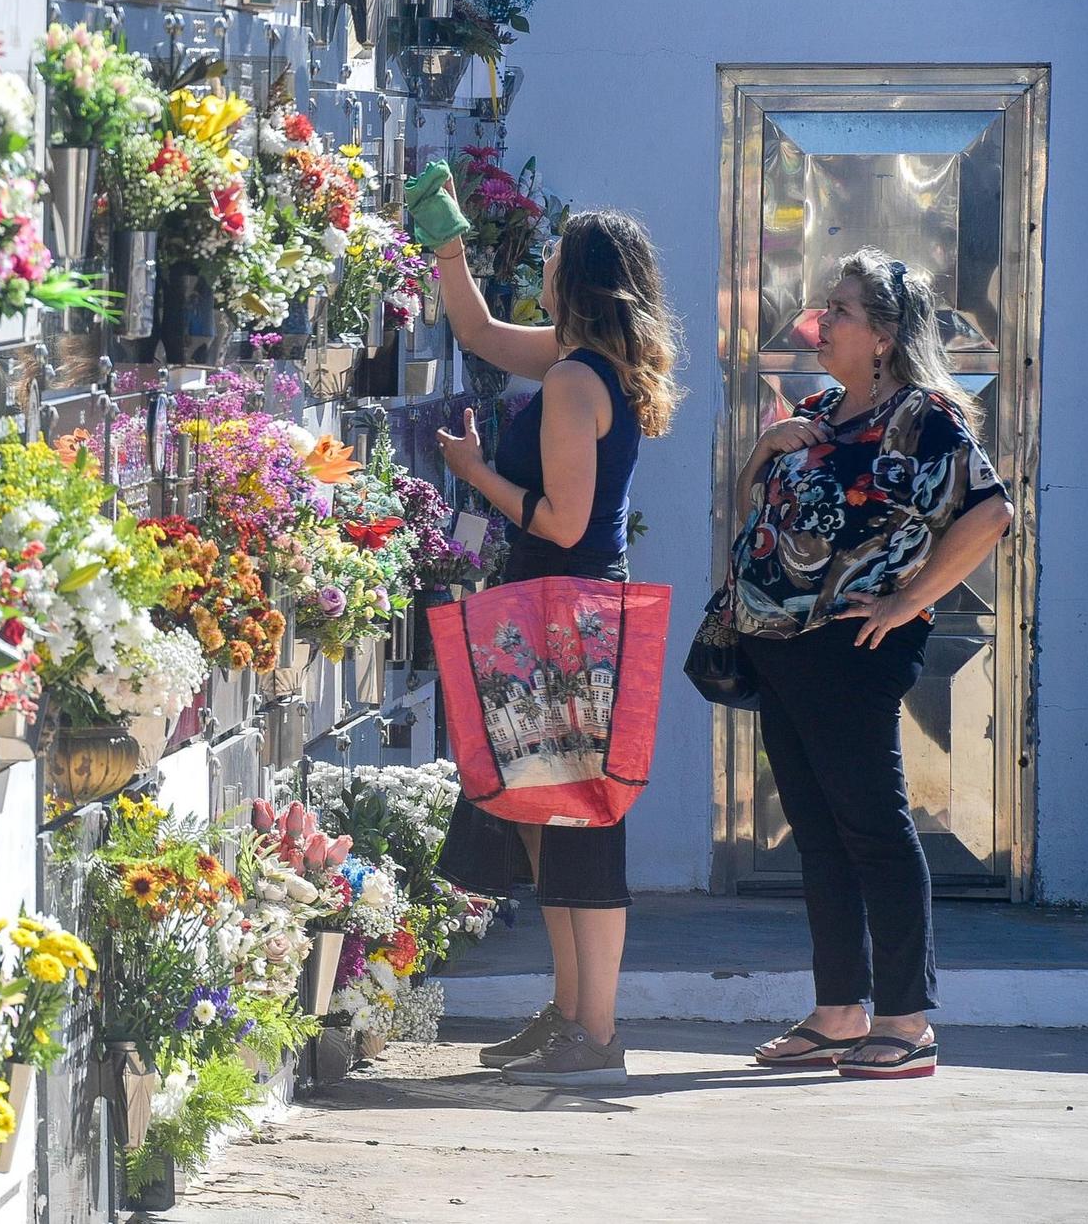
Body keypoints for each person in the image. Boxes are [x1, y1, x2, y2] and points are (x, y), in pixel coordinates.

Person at [407, 161, 684, 1087]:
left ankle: (594, 1029)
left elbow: (563, 523)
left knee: (581, 823)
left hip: (567, 617)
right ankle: (569, 1014)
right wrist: (448, 243)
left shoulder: (571, 381)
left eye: (557, 258)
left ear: (582, 279)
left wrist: (475, 473)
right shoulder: (588, 362)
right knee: (552, 816)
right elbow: (481, 334)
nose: (546, 268)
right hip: (564, 610)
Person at [733, 250, 1012, 1079]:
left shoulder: (922, 418)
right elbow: (757, 508)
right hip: (782, 645)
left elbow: (990, 512)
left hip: (854, 651)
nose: (821, 322)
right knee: (818, 833)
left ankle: (905, 1019)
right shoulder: (817, 410)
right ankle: (838, 1012)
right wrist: (763, 447)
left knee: (874, 828)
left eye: (842, 311)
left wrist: (907, 599)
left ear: (885, 336)